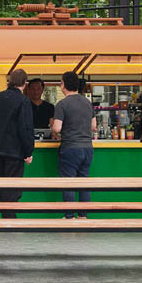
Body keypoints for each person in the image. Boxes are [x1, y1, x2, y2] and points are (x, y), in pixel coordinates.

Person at [0, 69, 36, 217]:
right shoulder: (23, 101)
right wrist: (28, 152)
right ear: (24, 83)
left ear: (10, 81)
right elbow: (25, 128)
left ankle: (6, 216)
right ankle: (10, 217)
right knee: (13, 186)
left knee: (2, 184)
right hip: (14, 150)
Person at [51, 70, 95, 215]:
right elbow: (93, 126)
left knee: (68, 183)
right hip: (88, 148)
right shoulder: (87, 103)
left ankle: (69, 217)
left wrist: (54, 130)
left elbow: (57, 127)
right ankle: (83, 216)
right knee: (84, 183)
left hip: (70, 148)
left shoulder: (62, 104)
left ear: (63, 85)